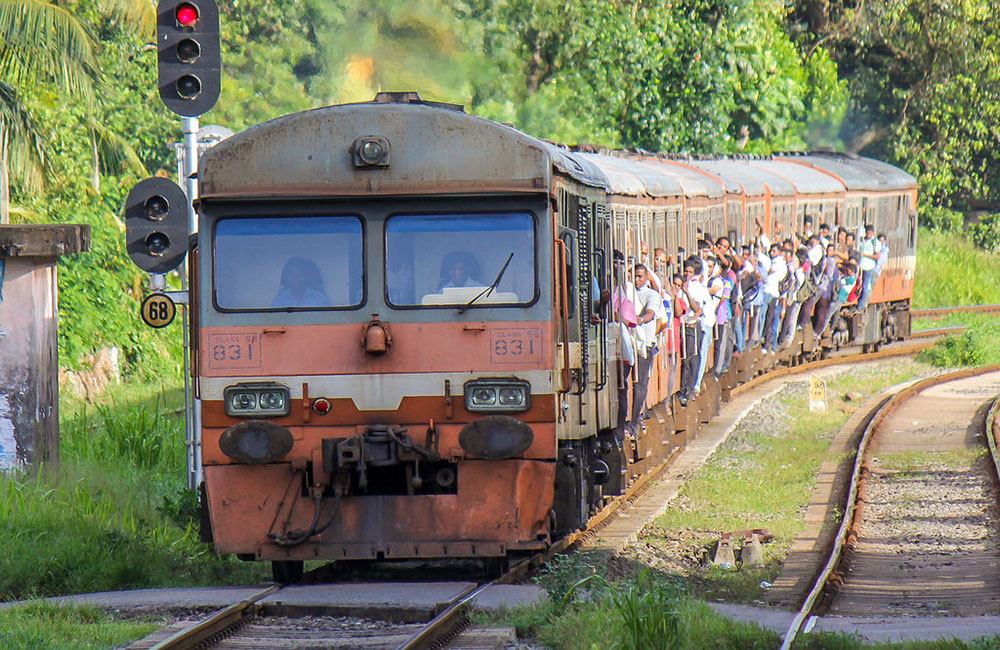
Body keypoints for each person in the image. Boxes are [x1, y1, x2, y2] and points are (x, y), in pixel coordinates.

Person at [627, 264, 665, 437]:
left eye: (640, 276)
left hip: (645, 345)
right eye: (634, 276)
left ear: (647, 277)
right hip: (629, 344)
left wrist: (640, 320)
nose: (637, 280)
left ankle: (635, 421)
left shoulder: (652, 295)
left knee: (640, 383)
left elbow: (651, 312)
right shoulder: (627, 292)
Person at [678, 258, 708, 406]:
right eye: (685, 271)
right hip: (681, 326)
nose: (687, 274)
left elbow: (697, 308)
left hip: (692, 327)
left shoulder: (697, 288)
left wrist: (687, 292)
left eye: (690, 272)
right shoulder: (678, 284)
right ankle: (683, 389)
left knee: (691, 359)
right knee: (684, 360)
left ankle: (687, 390)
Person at [857, 224, 881, 310]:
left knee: (865, 285)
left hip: (869, 266)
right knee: (858, 284)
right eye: (868, 232)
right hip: (860, 266)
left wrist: (866, 255)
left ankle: (861, 305)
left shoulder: (875, 243)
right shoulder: (862, 241)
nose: (869, 234)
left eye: (871, 232)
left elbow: (877, 256)